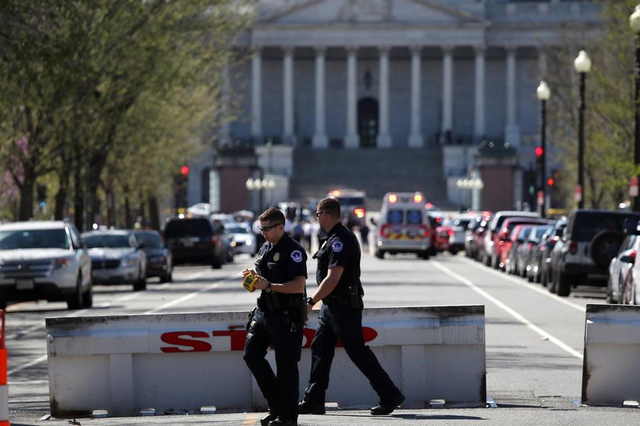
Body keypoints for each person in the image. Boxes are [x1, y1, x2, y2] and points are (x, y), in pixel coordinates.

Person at [299, 198, 405, 416]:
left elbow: (332, 278)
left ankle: (390, 394)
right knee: (320, 349)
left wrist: (311, 301)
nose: (317, 218)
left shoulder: (340, 240)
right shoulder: (331, 238)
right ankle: (314, 399)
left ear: (326, 214)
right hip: (331, 307)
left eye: (318, 214)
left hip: (343, 306)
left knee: (357, 351)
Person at [243, 207, 308, 426]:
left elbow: (298, 286)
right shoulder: (265, 247)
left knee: (286, 366)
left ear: (281, 227)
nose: (263, 233)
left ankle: (287, 416)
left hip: (286, 315)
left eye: (267, 229)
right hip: (264, 313)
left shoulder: (293, 250)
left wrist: (269, 285)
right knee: (251, 355)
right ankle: (276, 406)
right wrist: (253, 279)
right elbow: (262, 277)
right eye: (261, 229)